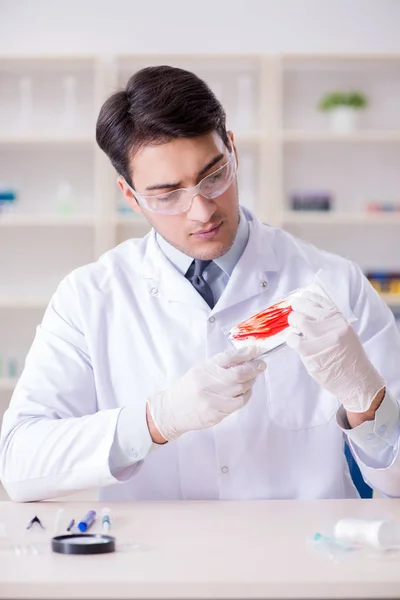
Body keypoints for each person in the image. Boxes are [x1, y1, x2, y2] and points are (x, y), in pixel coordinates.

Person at [1, 66, 399, 503]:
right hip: (154, 564)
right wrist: (157, 420)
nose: (201, 211)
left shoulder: (335, 283)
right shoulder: (89, 297)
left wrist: (366, 402)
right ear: (130, 196)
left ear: (232, 150)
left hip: (304, 562)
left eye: (213, 176)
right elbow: (20, 465)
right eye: (167, 194)